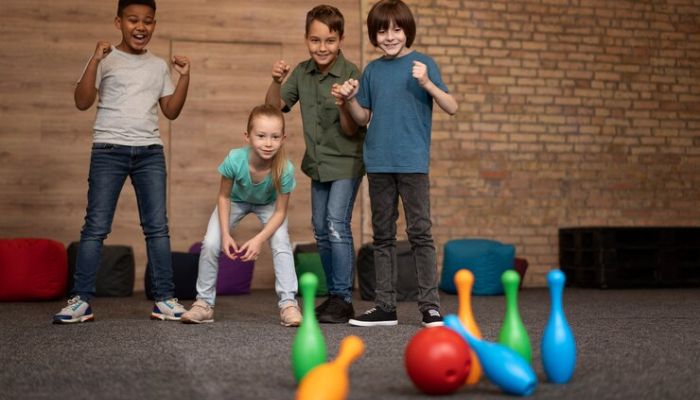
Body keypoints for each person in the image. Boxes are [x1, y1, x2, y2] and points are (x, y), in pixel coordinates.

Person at [53, 0, 190, 324]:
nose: (141, 27)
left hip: (149, 153)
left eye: (148, 21)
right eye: (133, 20)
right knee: (96, 227)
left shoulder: (158, 66)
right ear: (119, 22)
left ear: (154, 24)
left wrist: (184, 77)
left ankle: (165, 299)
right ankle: (81, 300)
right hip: (108, 151)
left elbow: (170, 110)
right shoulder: (104, 58)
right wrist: (94, 60)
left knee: (157, 228)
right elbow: (82, 101)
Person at [332, 0, 458, 327]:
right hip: (378, 164)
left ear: (407, 31)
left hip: (413, 163)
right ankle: (385, 306)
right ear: (374, 35)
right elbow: (363, 119)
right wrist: (347, 101)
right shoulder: (372, 70)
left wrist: (428, 84)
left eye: (397, 29)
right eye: (382, 30)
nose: (390, 36)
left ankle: (430, 307)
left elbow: (452, 106)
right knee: (383, 236)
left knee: (420, 233)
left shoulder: (423, 64)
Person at [265, 5, 365, 324]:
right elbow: (274, 108)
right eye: (315, 40)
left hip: (347, 163)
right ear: (307, 40)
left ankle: (343, 298)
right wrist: (275, 80)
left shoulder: (351, 74)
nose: (322, 48)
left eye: (330, 41)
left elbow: (352, 130)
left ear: (341, 40)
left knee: (336, 225)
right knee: (321, 231)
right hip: (319, 165)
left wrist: (345, 103)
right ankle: (335, 297)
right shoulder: (303, 73)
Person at [180, 104, 302, 326]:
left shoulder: (285, 168)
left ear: (283, 139)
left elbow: (281, 211)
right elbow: (224, 197)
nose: (268, 143)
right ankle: (204, 304)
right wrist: (226, 234)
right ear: (247, 136)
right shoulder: (235, 159)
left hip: (269, 205)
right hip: (235, 201)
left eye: (275, 137)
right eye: (261, 136)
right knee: (210, 243)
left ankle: (288, 304)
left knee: (282, 243)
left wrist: (258, 240)